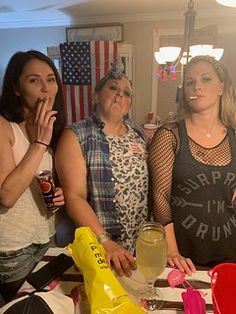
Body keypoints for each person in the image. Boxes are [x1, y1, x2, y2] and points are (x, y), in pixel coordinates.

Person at [55, 65, 149, 277]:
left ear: (130, 103)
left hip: (140, 245)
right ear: (96, 96)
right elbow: (74, 197)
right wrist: (105, 240)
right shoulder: (76, 135)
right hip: (103, 248)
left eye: (126, 93)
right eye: (113, 88)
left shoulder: (139, 133)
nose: (120, 95)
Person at [148, 55, 236, 275]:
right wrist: (172, 252)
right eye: (189, 82)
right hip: (184, 257)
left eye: (206, 79)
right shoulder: (169, 135)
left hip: (230, 252)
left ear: (221, 87)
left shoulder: (234, 136)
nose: (197, 86)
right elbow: (159, 196)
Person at [0, 50, 65, 302]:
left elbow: (40, 180)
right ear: (16, 88)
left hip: (46, 237)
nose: (45, 88)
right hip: (13, 249)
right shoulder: (5, 127)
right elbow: (6, 196)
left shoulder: (50, 126)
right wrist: (39, 142)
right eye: (34, 80)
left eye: (50, 79)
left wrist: (58, 195)